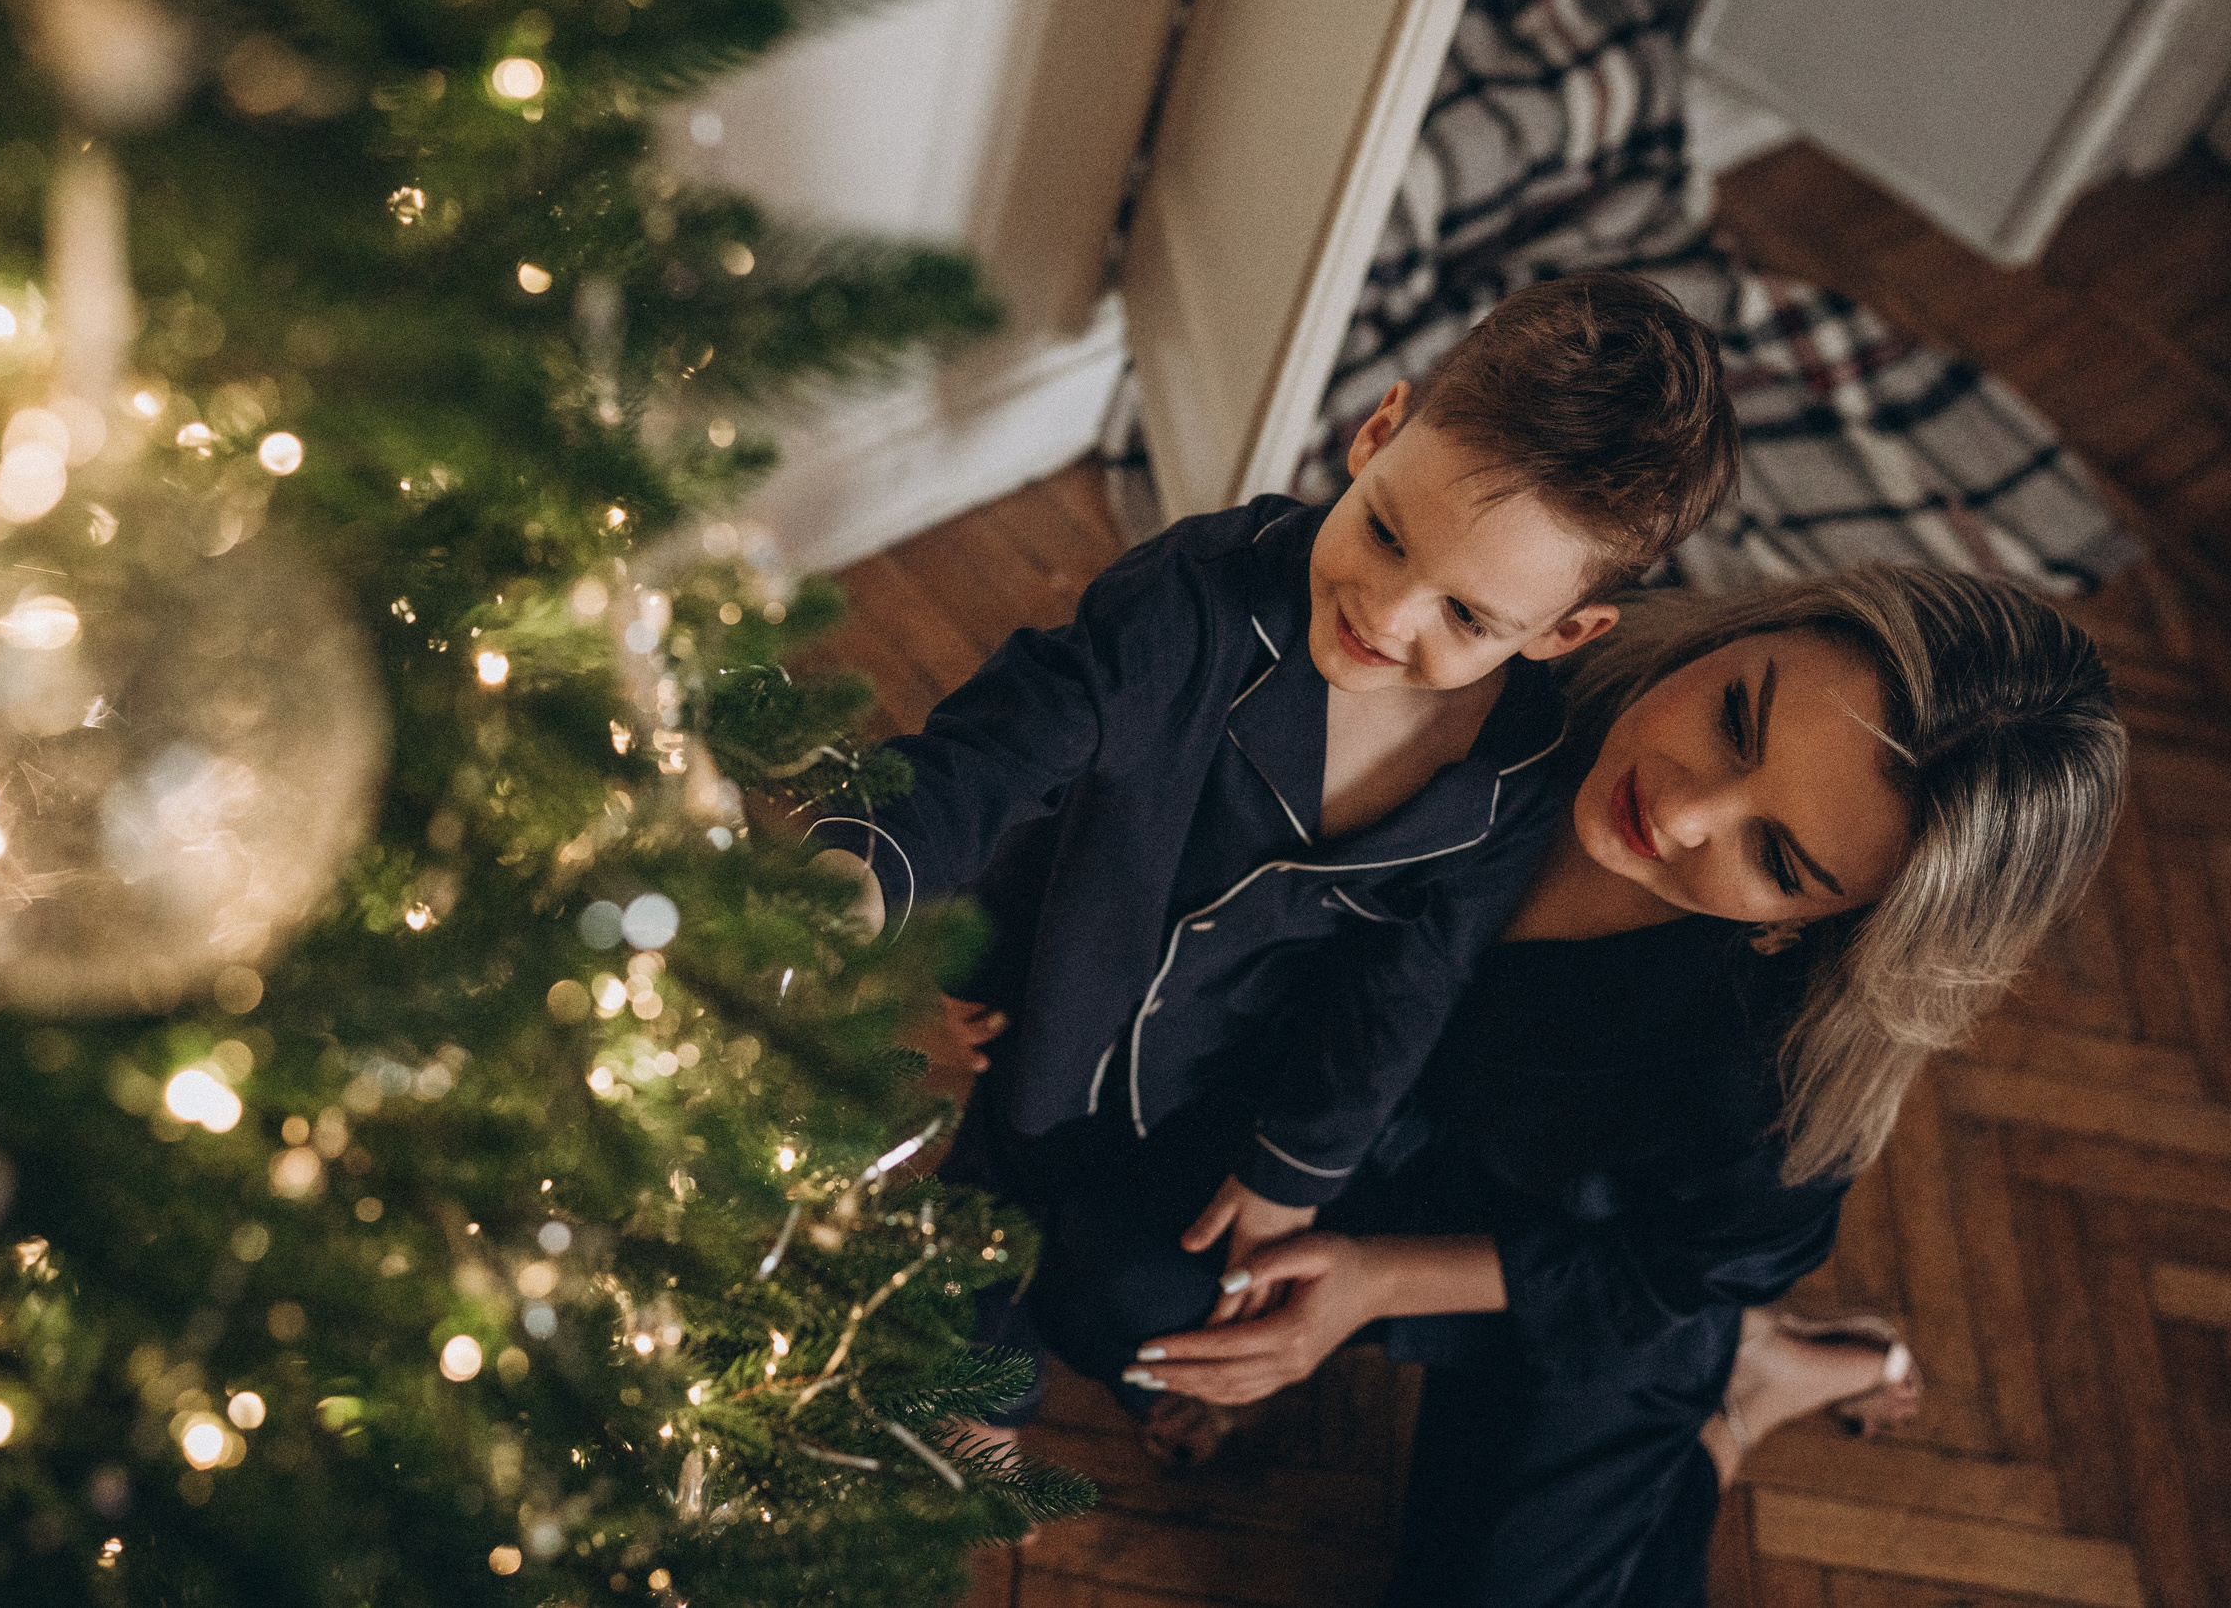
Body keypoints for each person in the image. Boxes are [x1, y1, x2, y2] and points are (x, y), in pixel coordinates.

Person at [1065, 564, 2125, 1606]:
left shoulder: (1775, 1075)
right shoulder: (1507, 638)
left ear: (1820, 924)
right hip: (1348, 1125)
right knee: (1123, 1297)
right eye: (1732, 718)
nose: (1680, 812)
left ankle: (1740, 1399)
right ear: (1740, 630)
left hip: (1578, 1264)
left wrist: (1375, 1280)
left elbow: (1672, 1274)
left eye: (1778, 858)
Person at [813, 276, 1742, 1405]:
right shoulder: (1195, 596)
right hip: (1059, 998)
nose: (1386, 615)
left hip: (1221, 1090)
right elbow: (1008, 742)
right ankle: (980, 1364)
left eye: (1467, 617)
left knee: (1141, 1313)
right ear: (1377, 432)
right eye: (1388, 532)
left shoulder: (1511, 781)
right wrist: (866, 878)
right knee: (994, 1194)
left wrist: (1292, 1168)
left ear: (1566, 633)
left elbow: (1408, 987)